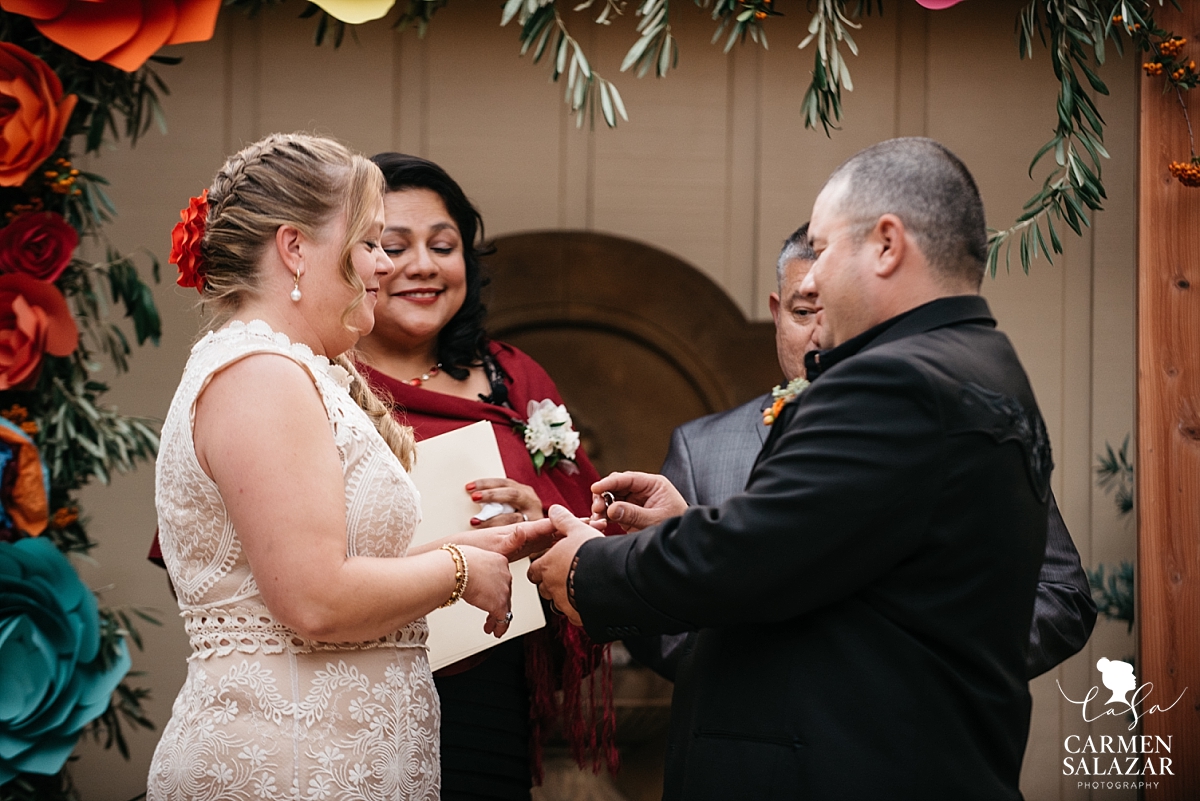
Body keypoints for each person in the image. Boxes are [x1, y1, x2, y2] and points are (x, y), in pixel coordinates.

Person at [531, 137, 1052, 800]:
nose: (808, 280)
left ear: (887, 245)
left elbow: (753, 550)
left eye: (824, 248)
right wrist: (689, 524)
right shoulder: (986, 366)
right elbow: (840, 553)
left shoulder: (892, 380)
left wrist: (587, 567)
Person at [147, 134, 549, 800]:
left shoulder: (291, 369)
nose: (379, 266)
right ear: (295, 248)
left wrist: (481, 545)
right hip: (290, 768)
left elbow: (329, 559)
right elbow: (313, 598)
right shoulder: (260, 376)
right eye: (368, 243)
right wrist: (456, 571)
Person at [631, 224, 1096, 682]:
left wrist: (927, 666)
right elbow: (657, 626)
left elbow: (1060, 596)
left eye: (840, 313)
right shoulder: (700, 449)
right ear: (777, 313)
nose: (822, 335)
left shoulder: (955, 426)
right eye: (803, 312)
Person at [352, 153, 617, 801]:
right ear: (352, 259)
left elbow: (593, 523)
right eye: (393, 246)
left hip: (485, 686)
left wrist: (541, 513)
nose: (422, 264)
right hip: (350, 679)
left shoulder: (512, 375)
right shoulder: (314, 375)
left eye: (443, 245)